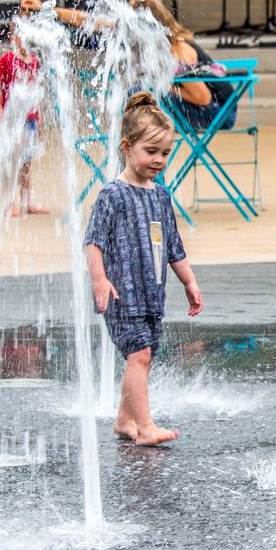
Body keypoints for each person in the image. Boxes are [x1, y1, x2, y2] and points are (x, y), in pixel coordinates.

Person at [85, 92, 203, 446]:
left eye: (165, 153)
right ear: (127, 147)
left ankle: (125, 419)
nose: (159, 160)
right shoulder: (112, 195)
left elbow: (173, 247)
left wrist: (190, 282)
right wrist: (100, 279)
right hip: (122, 294)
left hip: (151, 295)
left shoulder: (160, 197)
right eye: (151, 152)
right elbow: (93, 242)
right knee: (139, 354)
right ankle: (146, 426)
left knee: (143, 356)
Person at [20, 0, 236, 131]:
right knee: (138, 97)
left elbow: (202, 97)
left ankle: (143, 173)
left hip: (219, 113)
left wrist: (160, 84)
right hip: (206, 107)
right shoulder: (147, 39)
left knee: (139, 96)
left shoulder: (176, 52)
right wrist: (45, 10)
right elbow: (90, 21)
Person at [0, 12, 49, 216]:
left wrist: (39, 116)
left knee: (25, 163)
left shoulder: (33, 61)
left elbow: (35, 91)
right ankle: (8, 203)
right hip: (13, 120)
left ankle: (26, 202)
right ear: (12, 37)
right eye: (21, 35)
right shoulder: (8, 59)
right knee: (10, 161)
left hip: (29, 120)